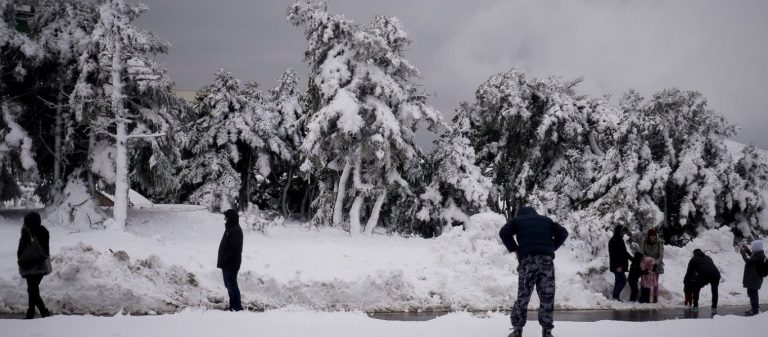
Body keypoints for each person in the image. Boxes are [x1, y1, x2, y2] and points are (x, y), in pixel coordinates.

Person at [499, 206, 569, 337]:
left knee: (523, 297)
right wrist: (550, 248)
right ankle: (547, 332)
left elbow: (504, 232)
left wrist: (515, 249)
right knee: (547, 297)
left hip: (528, 261)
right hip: (546, 262)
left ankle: (517, 331)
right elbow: (563, 233)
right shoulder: (546, 221)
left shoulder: (518, 221)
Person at [16, 212, 52, 319]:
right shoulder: (44, 232)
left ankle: (43, 312)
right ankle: (31, 313)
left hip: (29, 265)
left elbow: (20, 251)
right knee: (33, 289)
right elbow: (46, 251)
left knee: (32, 290)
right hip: (41, 264)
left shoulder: (26, 232)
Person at [217, 209, 244, 311]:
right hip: (226, 263)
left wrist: (225, 258)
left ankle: (237, 307)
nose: (225, 219)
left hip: (231, 263)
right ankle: (232, 305)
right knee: (229, 285)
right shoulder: (230, 228)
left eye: (226, 217)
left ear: (231, 218)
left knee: (232, 285)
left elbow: (234, 249)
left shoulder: (236, 230)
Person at [683, 249, 721, 313]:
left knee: (696, 287)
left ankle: (696, 307)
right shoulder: (708, 257)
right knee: (714, 290)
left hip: (704, 274)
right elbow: (709, 267)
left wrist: (685, 281)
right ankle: (714, 308)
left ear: (694, 254)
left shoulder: (693, 259)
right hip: (716, 274)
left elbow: (689, 272)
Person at [740, 240, 765, 316]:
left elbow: (748, 260)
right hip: (754, 278)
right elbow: (752, 257)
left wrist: (743, 253)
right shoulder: (759, 254)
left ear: (757, 247)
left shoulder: (759, 256)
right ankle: (755, 307)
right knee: (752, 292)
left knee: (752, 293)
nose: (752, 247)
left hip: (755, 278)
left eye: (753, 246)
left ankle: (755, 310)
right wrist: (747, 251)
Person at [608, 225, 632, 301]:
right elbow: (614, 255)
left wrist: (633, 259)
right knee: (623, 280)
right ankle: (615, 297)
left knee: (618, 281)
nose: (623, 233)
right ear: (619, 231)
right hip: (617, 266)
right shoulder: (614, 240)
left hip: (619, 265)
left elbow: (624, 253)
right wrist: (618, 266)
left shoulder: (619, 239)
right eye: (622, 231)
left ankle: (615, 297)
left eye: (624, 231)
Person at [640, 228, 664, 303]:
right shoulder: (644, 242)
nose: (653, 237)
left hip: (656, 264)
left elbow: (661, 255)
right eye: (651, 236)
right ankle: (645, 296)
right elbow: (642, 253)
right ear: (649, 236)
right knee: (646, 280)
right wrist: (648, 261)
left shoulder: (659, 243)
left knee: (655, 281)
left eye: (654, 236)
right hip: (647, 264)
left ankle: (655, 297)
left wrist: (655, 263)